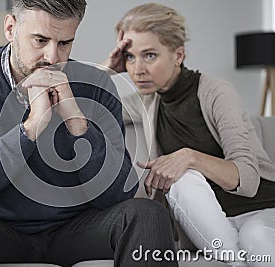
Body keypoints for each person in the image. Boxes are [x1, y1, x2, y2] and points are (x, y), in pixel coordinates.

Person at [0, 1, 178, 266]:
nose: (52, 57)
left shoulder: (96, 85)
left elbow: (119, 194)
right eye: (40, 40)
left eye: (64, 43)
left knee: (149, 214)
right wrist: (31, 127)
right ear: (11, 28)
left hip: (76, 230)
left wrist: (77, 124)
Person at [102, 3, 275, 266]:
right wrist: (106, 70)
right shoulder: (145, 102)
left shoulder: (216, 92)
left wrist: (190, 157)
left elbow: (248, 180)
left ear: (178, 55)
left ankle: (236, 261)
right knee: (181, 179)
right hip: (210, 224)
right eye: (130, 57)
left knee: (258, 239)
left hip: (260, 208)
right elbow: (83, 108)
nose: (138, 69)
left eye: (149, 55)